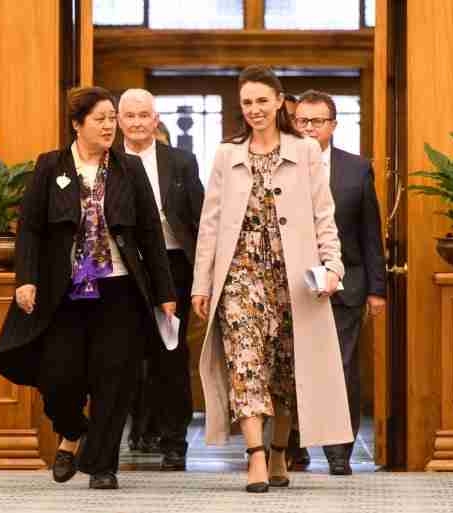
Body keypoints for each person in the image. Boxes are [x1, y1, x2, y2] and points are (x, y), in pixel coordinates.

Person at [0, 86, 176, 490]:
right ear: (77, 124)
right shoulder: (49, 166)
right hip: (66, 291)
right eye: (101, 119)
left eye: (113, 118)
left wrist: (165, 293)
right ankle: (72, 431)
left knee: (116, 378)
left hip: (120, 290)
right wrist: (26, 279)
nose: (110, 126)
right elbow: (30, 231)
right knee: (59, 377)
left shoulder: (130, 169)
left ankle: (103, 465)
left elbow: (149, 235)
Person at [191, 65, 353, 493]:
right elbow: (210, 223)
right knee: (245, 364)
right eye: (247, 102)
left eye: (263, 100)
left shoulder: (306, 151)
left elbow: (324, 215)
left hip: (293, 277)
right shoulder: (227, 154)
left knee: (285, 369)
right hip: (240, 275)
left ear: (281, 101)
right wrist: (201, 284)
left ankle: (280, 449)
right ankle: (255, 456)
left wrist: (333, 266)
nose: (255, 109)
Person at [293, 89, 387, 475]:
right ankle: (292, 448)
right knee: (294, 368)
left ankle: (338, 453)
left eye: (317, 121)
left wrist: (377, 290)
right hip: (293, 286)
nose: (310, 128)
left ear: (334, 125)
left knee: (341, 368)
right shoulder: (279, 164)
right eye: (302, 121)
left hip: (346, 286)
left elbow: (370, 233)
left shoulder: (356, 168)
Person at [118, 88, 204, 471]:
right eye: (129, 115)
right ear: (119, 120)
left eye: (144, 115)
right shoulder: (108, 161)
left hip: (173, 267)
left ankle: (174, 442)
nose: (137, 122)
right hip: (121, 268)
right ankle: (123, 435)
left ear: (156, 119)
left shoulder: (181, 162)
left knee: (170, 355)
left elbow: (200, 220)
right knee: (121, 355)